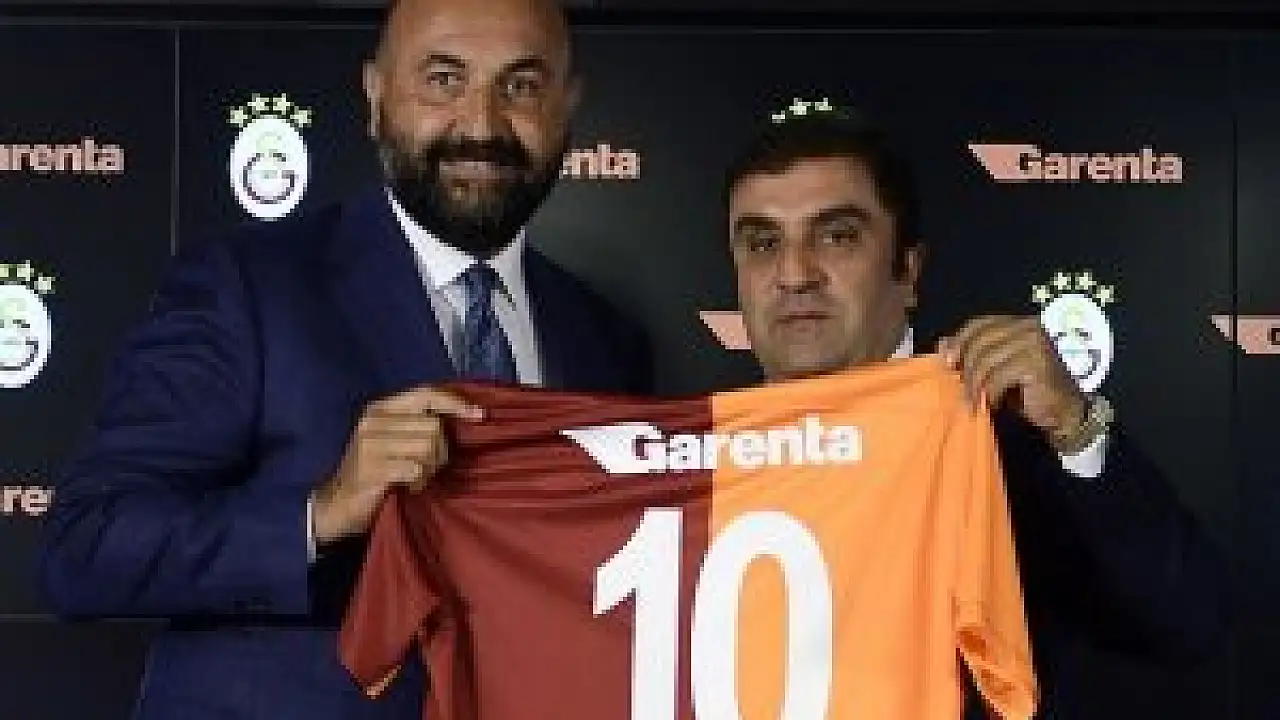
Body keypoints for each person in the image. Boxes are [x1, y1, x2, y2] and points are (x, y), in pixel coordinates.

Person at [37, 0, 651, 717]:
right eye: (444, 80)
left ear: (567, 106)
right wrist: (320, 513)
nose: (482, 125)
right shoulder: (245, 287)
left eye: (520, 85)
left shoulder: (604, 339)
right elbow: (84, 550)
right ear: (375, 95)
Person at [720, 103, 1228, 717]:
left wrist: (1076, 431)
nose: (795, 273)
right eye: (763, 243)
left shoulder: (1007, 442)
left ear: (908, 270)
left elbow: (1187, 620)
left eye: (837, 236)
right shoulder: (691, 470)